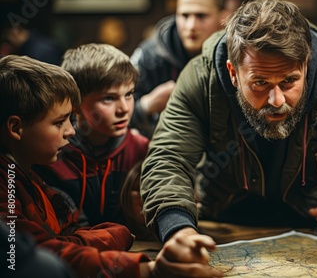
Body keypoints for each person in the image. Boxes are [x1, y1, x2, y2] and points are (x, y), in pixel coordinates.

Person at [140, 0, 317, 271]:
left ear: (306, 64)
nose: (276, 99)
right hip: (221, 224)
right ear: (233, 73)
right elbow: (168, 158)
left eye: (289, 81)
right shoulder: (201, 78)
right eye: (260, 82)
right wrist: (178, 230)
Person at [0, 55, 222, 277]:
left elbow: (66, 233)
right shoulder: (14, 178)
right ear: (16, 128)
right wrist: (130, 251)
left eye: (129, 95)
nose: (70, 131)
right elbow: (35, 254)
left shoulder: (26, 175)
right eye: (59, 122)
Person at [33, 43, 149, 227]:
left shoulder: (142, 151)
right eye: (108, 98)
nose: (124, 109)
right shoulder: (53, 157)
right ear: (76, 104)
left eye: (129, 94)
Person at [130, 0, 231, 138]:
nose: (191, 25)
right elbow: (112, 116)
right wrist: (146, 105)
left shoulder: (235, 55)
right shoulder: (150, 55)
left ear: (223, 17)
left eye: (201, 16)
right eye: (184, 15)